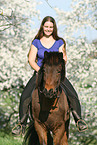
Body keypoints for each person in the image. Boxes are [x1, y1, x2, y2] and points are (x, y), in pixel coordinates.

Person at [12, 16, 88, 135]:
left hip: (56, 76)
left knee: (72, 94)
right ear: (42, 26)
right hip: (40, 73)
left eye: (51, 27)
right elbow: (31, 59)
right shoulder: (36, 41)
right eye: (46, 26)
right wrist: (40, 71)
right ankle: (21, 124)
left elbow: (64, 58)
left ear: (54, 28)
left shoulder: (59, 42)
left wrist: (57, 70)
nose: (48, 29)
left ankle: (79, 119)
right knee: (25, 95)